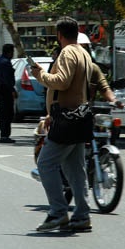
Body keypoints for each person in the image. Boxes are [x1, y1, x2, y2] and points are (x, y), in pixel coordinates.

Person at [30, 17, 94, 231]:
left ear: (59, 35)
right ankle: (82, 215)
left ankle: (58, 212)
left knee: (45, 164)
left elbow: (62, 81)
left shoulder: (67, 53)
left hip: (66, 119)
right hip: (79, 116)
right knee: (75, 169)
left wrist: (41, 75)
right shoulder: (83, 53)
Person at [0, 44, 17, 142]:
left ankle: (3, 134)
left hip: (0, 88)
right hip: (5, 89)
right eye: (12, 52)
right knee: (7, 113)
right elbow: (7, 78)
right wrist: (12, 90)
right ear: (9, 52)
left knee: (3, 113)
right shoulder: (5, 62)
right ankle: (5, 135)